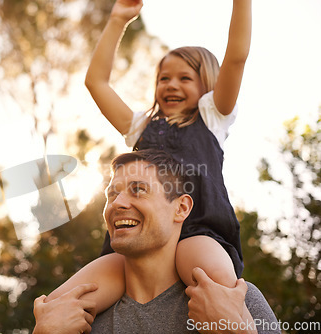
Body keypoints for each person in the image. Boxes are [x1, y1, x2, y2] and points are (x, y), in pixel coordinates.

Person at [48, 0, 253, 323]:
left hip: (196, 233)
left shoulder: (213, 116)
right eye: (163, 78)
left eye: (185, 78)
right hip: (135, 240)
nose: (171, 84)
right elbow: (96, 83)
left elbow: (237, 57)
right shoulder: (141, 127)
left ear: (207, 85)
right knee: (61, 305)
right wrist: (117, 20)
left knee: (217, 284)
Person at [33, 150, 279, 333]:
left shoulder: (233, 300)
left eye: (138, 189)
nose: (117, 203)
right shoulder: (79, 320)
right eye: (112, 194)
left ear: (181, 208)